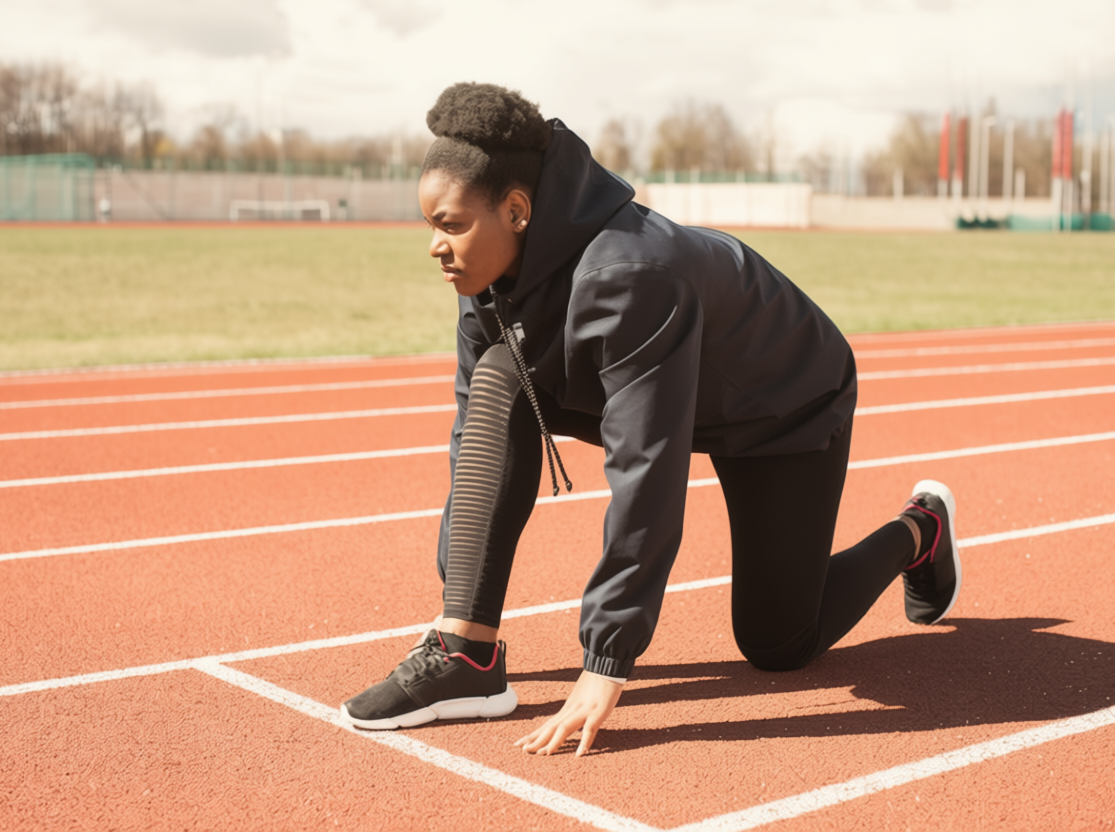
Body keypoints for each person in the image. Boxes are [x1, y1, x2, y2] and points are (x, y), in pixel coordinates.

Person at [340, 83, 962, 757]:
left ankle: (919, 530)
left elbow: (646, 468)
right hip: (673, 382)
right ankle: (467, 655)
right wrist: (460, 597)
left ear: (516, 211)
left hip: (780, 400)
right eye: (431, 224)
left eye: (451, 224)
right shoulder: (485, 280)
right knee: (500, 377)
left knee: (780, 643)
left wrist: (606, 658)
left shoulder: (632, 276)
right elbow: (476, 439)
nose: (436, 245)